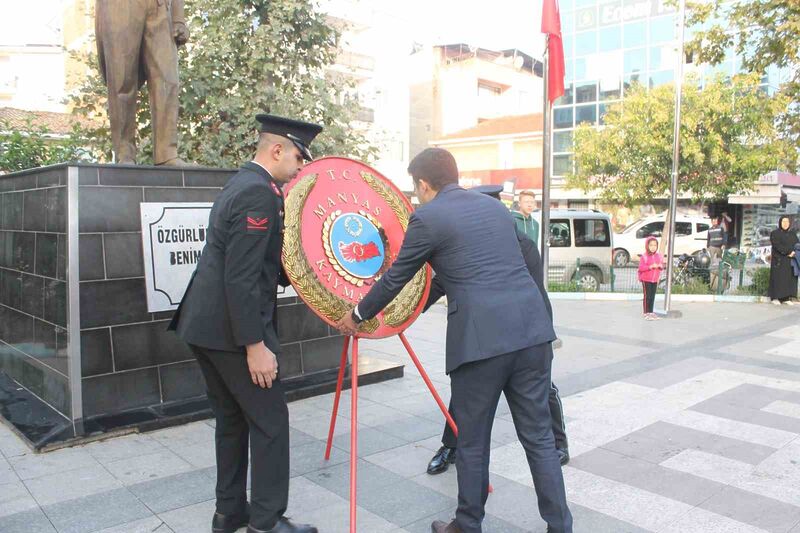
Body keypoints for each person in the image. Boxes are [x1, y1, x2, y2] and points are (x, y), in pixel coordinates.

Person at [337, 148, 572, 533]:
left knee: (473, 441)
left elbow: (398, 276)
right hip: (532, 334)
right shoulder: (496, 210)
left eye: (417, 189)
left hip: (481, 344)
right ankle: (561, 526)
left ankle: (467, 524)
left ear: (424, 185)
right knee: (540, 439)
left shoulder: (428, 217)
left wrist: (359, 315)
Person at [168, 114, 321, 533]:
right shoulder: (258, 193)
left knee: (232, 421)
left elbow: (261, 265)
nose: (300, 166)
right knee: (270, 423)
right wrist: (255, 346)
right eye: (297, 156)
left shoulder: (244, 184)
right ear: (276, 150)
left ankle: (229, 512)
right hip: (231, 333)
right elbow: (240, 276)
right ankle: (266, 522)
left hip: (206, 327)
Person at [426, 185, 569, 477]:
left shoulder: (524, 245)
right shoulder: (465, 247)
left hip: (527, 332)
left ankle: (559, 443)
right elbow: (438, 283)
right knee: (465, 393)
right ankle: (451, 445)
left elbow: (535, 292)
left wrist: (544, 333)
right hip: (480, 336)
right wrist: (404, 311)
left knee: (543, 392)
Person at [95, 0, 190, 165]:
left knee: (168, 80)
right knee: (122, 80)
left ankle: (166, 153)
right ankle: (125, 154)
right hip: (120, 6)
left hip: (160, 7)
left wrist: (178, 17)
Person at [768, 215, 799, 306]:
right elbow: (777, 245)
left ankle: (786, 298)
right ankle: (775, 297)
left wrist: (794, 252)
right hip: (779, 260)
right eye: (783, 222)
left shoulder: (792, 234)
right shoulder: (775, 233)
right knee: (778, 279)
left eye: (787, 222)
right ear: (780, 223)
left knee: (788, 279)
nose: (785, 224)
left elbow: (797, 244)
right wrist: (788, 252)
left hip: (790, 260)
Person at [638, 236, 664, 320]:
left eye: (655, 245)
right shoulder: (644, 256)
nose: (653, 247)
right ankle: (646, 313)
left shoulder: (658, 256)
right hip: (646, 280)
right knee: (647, 296)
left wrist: (660, 266)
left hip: (655, 280)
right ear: (647, 246)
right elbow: (641, 268)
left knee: (652, 296)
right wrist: (650, 266)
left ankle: (651, 312)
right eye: (651, 245)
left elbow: (661, 265)